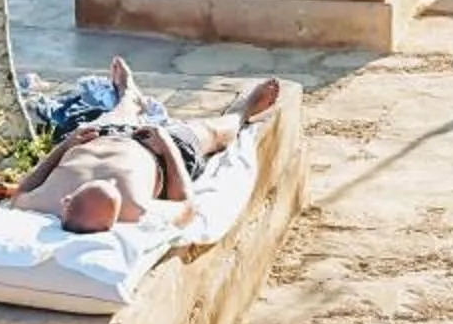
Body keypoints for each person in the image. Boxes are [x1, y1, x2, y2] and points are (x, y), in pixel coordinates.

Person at [14, 59, 283, 234]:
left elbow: (21, 190)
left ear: (67, 200)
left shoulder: (43, 202)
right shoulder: (137, 210)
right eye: (115, 186)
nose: (112, 179)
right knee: (213, 133)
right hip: (155, 151)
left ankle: (128, 95)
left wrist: (67, 144)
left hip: (100, 136)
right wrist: (166, 147)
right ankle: (243, 111)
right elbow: (187, 207)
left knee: (122, 108)